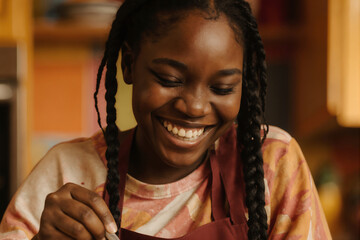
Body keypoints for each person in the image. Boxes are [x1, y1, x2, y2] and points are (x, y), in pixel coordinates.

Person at [0, 0, 332, 239]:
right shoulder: (67, 172)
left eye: (222, 87)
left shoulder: (271, 163)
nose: (195, 106)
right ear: (129, 64)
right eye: (170, 79)